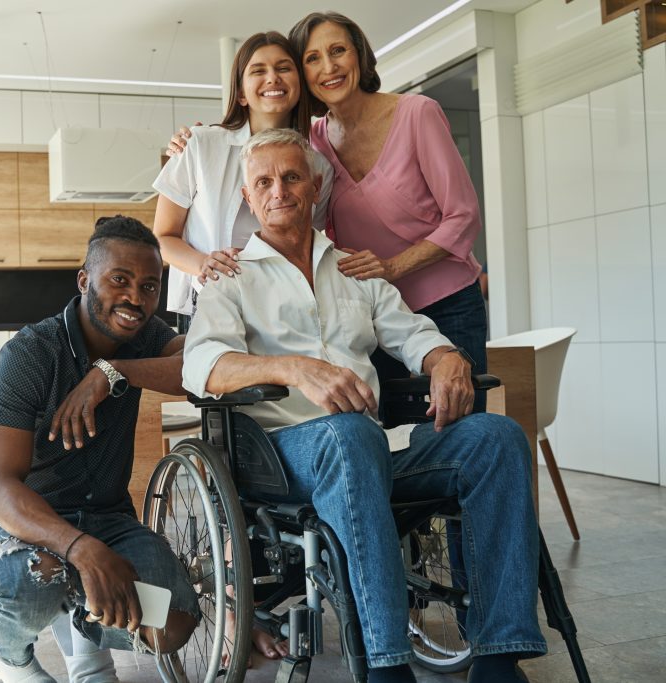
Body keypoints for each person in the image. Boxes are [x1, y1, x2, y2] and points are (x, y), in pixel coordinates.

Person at [182, 129, 545, 683]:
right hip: (284, 458)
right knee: (348, 435)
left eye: (292, 176)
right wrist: (293, 367)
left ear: (315, 185)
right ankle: (385, 664)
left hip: (369, 448)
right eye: (264, 182)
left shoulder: (354, 269)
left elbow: (411, 333)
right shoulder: (230, 278)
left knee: (496, 439)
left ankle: (499, 658)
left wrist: (445, 356)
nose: (279, 190)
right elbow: (201, 366)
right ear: (248, 200)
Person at [0, 216, 199, 683]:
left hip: (110, 519)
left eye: (150, 286)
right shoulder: (32, 353)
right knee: (34, 581)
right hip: (30, 523)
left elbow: (197, 366)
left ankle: (84, 628)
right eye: (119, 280)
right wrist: (80, 548)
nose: (136, 299)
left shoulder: (144, 338)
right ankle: (12, 657)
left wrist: (114, 371)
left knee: (174, 623)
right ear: (85, 280)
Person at [290, 11, 489, 412]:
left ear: (360, 56)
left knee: (460, 430)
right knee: (385, 431)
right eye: (312, 58)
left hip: (448, 303)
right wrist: (193, 140)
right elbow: (258, 153)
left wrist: (394, 267)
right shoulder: (312, 142)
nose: (329, 67)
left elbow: (463, 216)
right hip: (375, 315)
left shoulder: (417, 114)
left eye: (338, 51)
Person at [152, 31, 333, 333]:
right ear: (241, 94)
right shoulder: (199, 145)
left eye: (284, 68)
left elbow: (311, 241)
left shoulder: (319, 166)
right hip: (212, 301)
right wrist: (203, 264)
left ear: (299, 85)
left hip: (285, 306)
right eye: (258, 70)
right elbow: (163, 238)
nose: (273, 78)